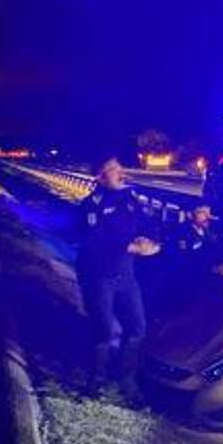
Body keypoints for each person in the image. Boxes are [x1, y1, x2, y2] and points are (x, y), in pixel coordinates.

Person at [76, 156, 161, 400]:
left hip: (126, 276)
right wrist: (128, 246)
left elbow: (148, 224)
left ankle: (127, 381)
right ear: (100, 177)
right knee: (104, 331)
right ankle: (96, 382)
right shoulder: (92, 204)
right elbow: (94, 238)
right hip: (99, 275)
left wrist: (153, 243)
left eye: (119, 167)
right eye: (112, 170)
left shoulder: (130, 198)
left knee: (137, 328)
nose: (120, 172)